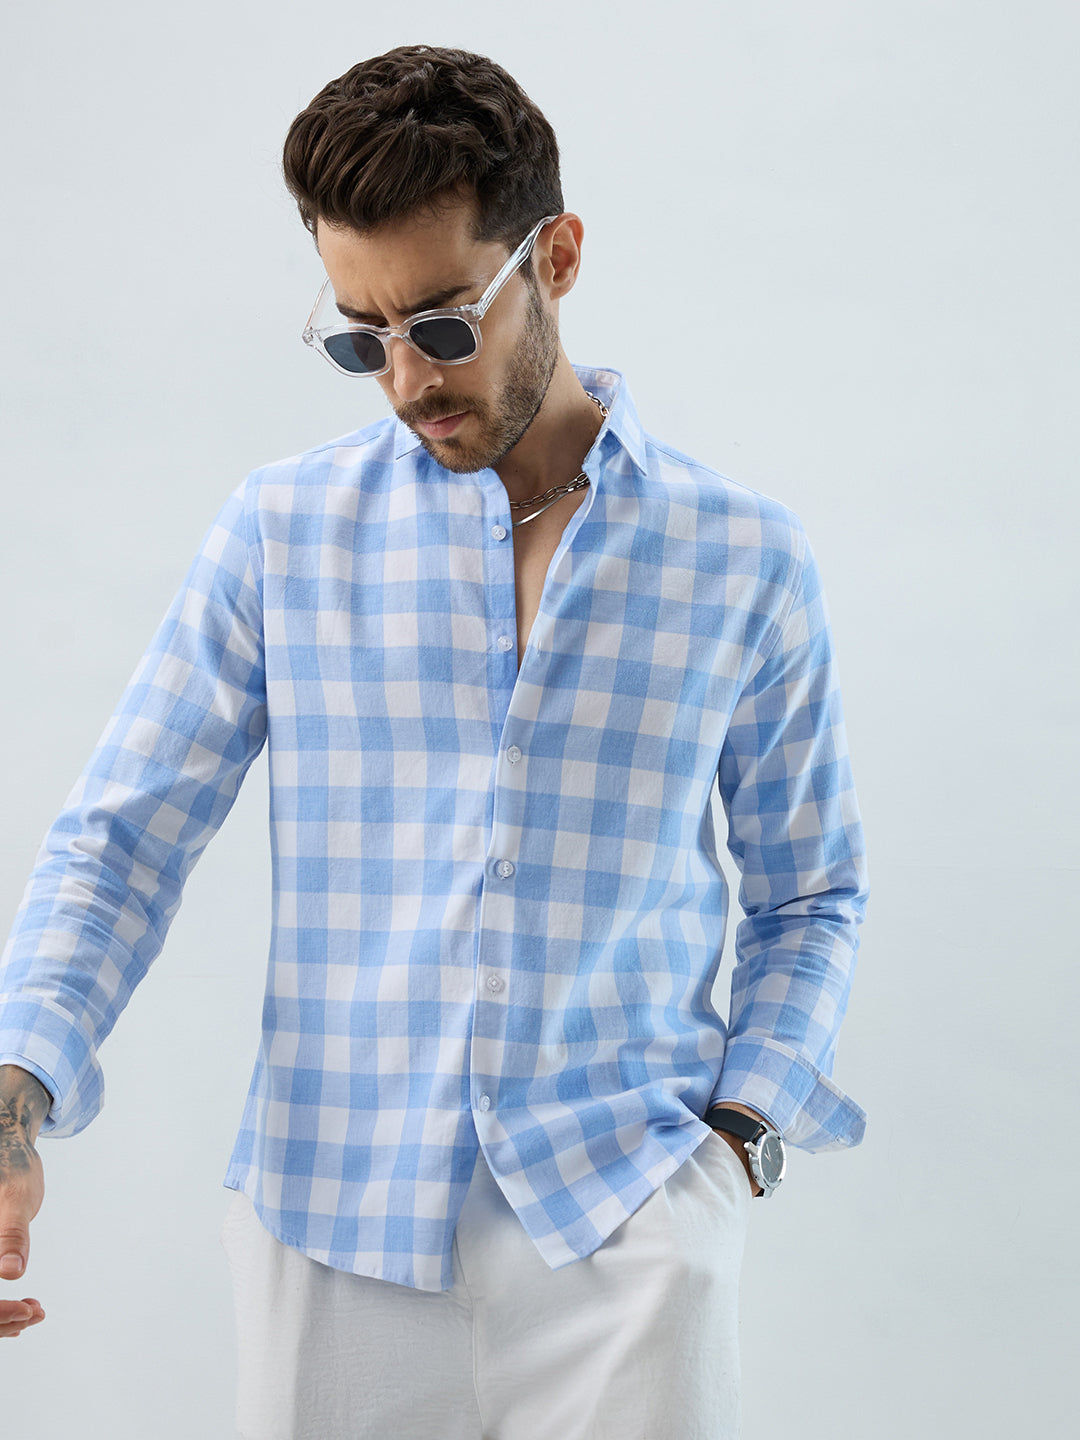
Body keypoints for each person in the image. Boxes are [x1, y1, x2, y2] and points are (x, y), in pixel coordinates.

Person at [0, 43, 870, 1440]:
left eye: (444, 326)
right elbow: (121, 844)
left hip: (624, 1225)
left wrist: (732, 1152)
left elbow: (810, 894)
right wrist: (13, 1102)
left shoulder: (744, 557)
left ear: (557, 257)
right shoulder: (281, 532)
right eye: (363, 337)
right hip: (330, 1232)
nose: (406, 380)